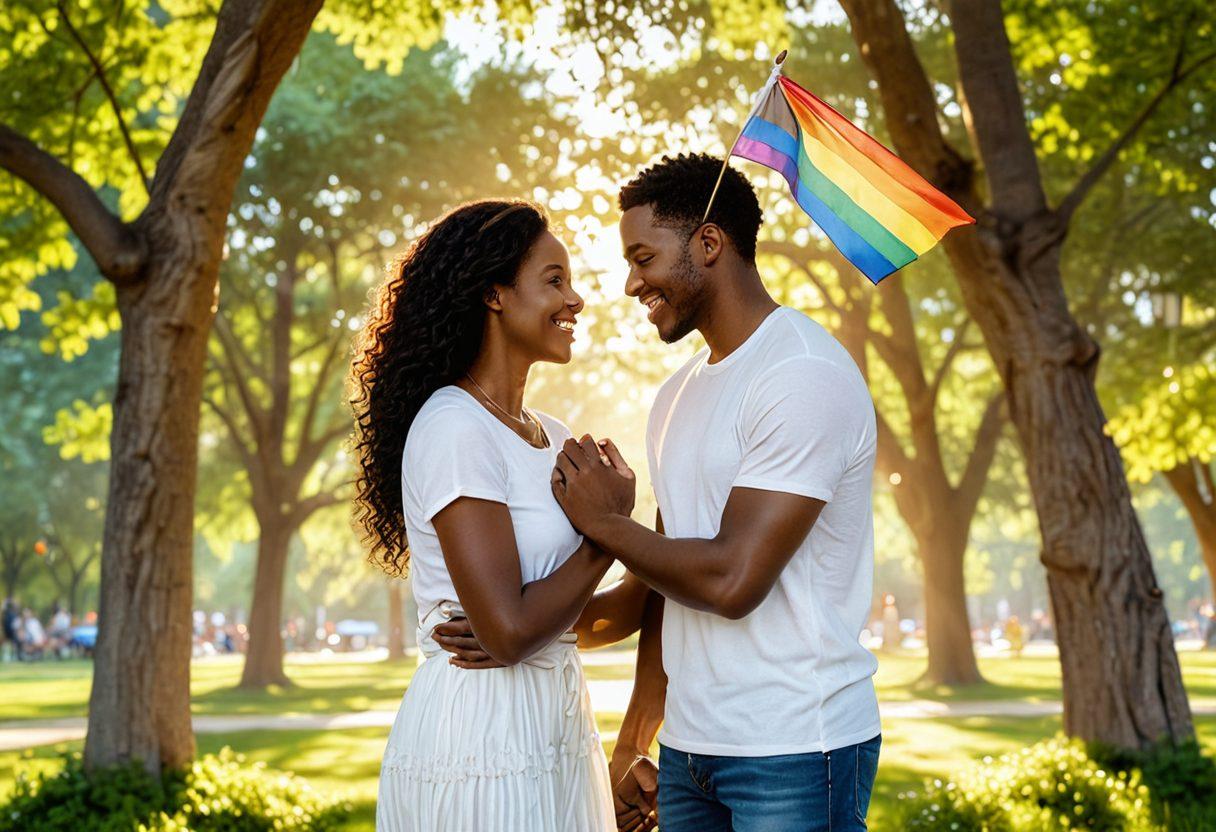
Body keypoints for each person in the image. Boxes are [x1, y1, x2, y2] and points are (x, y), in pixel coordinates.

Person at [551, 154, 883, 831]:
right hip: (690, 753)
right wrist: (631, 735)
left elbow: (732, 581)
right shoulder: (676, 396)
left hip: (795, 748)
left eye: (643, 257)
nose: (629, 282)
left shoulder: (802, 373)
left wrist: (606, 524)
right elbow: (663, 586)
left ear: (708, 243)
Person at [351, 199, 652, 832]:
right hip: (482, 735)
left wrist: (651, 552)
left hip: (557, 727)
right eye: (554, 280)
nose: (576, 300)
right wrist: (606, 535)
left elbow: (576, 622)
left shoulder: (555, 436)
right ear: (493, 294)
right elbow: (513, 630)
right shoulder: (454, 426)